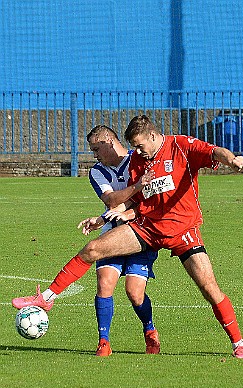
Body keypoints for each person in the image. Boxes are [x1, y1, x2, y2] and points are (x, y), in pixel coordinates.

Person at [12, 115, 243, 359]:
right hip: (147, 228)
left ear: (152, 135)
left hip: (183, 231)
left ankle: (239, 343)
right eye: (134, 147)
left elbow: (214, 152)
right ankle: (47, 298)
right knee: (92, 249)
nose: (136, 152)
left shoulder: (182, 145)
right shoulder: (138, 160)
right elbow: (135, 199)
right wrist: (104, 218)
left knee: (209, 288)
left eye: (139, 145)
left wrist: (232, 160)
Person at [13, 125, 160, 357]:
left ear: (109, 141)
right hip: (113, 232)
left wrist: (123, 207)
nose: (94, 154)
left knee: (134, 292)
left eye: (96, 149)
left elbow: (148, 200)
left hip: (141, 232)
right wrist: (109, 213)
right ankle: (104, 341)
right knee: (104, 283)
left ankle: (150, 331)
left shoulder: (138, 158)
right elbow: (112, 200)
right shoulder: (97, 172)